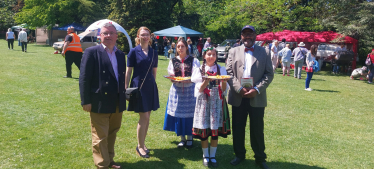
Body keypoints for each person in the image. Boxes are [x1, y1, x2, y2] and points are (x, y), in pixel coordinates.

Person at [79, 23, 126, 169]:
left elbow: (120, 77)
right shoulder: (92, 52)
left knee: (112, 133)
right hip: (99, 101)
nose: (108, 36)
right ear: (100, 35)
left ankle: (109, 160)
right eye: (105, 33)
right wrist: (85, 100)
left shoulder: (120, 54)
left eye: (111, 33)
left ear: (116, 36)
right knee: (100, 136)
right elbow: (84, 78)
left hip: (117, 101)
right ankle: (102, 165)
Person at [226, 25, 274, 169]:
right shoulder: (233, 51)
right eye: (244, 34)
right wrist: (238, 88)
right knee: (238, 128)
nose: (247, 37)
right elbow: (229, 71)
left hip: (256, 97)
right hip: (238, 96)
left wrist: (257, 89)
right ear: (241, 36)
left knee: (257, 129)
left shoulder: (264, 52)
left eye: (250, 34)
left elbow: (269, 74)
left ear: (255, 36)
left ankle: (260, 158)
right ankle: (239, 155)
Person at [191, 46, 231, 167]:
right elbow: (199, 90)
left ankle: (212, 156)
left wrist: (223, 81)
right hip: (204, 102)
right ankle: (205, 155)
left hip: (217, 103)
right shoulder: (199, 70)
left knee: (215, 131)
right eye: (209, 54)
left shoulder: (221, 69)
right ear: (204, 56)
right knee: (204, 130)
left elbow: (224, 91)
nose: (211, 57)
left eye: (213, 55)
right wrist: (206, 81)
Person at [125, 26, 160, 158]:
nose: (145, 37)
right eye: (142, 34)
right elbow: (128, 72)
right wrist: (125, 88)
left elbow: (154, 72)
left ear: (150, 37)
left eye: (147, 35)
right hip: (138, 87)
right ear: (138, 37)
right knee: (143, 117)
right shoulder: (133, 52)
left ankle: (143, 144)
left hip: (150, 87)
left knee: (148, 117)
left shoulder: (154, 52)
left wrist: (152, 86)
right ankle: (139, 147)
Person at [163, 38, 200, 149]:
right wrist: (173, 79)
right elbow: (171, 75)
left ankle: (190, 137)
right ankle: (182, 138)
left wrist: (188, 80)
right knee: (179, 114)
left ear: (186, 47)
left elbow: (197, 76)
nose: (180, 48)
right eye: (178, 46)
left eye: (182, 46)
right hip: (177, 90)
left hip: (189, 90)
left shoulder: (193, 60)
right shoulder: (173, 60)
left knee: (190, 115)